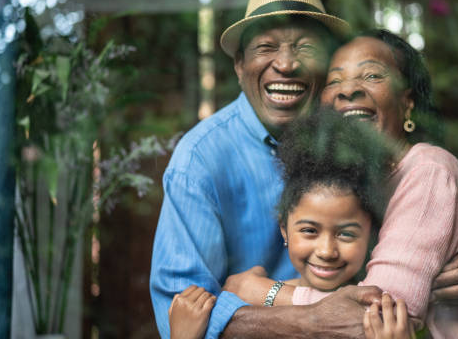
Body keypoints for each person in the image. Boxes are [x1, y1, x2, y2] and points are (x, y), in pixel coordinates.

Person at [150, 0, 458, 338]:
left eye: (304, 47)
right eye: (266, 47)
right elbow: (178, 314)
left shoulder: (341, 121)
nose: (287, 64)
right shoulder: (200, 160)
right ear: (239, 64)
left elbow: (430, 182)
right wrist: (310, 321)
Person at [227, 30, 458, 337]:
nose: (348, 90)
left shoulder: (429, 171)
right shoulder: (355, 181)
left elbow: (378, 316)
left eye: (371, 75)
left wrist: (264, 293)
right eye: (334, 81)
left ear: (407, 103)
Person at [169, 109, 416, 339]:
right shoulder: (248, 303)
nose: (326, 251)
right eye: (309, 231)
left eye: (346, 234)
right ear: (284, 229)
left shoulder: (382, 316)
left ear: (371, 233)